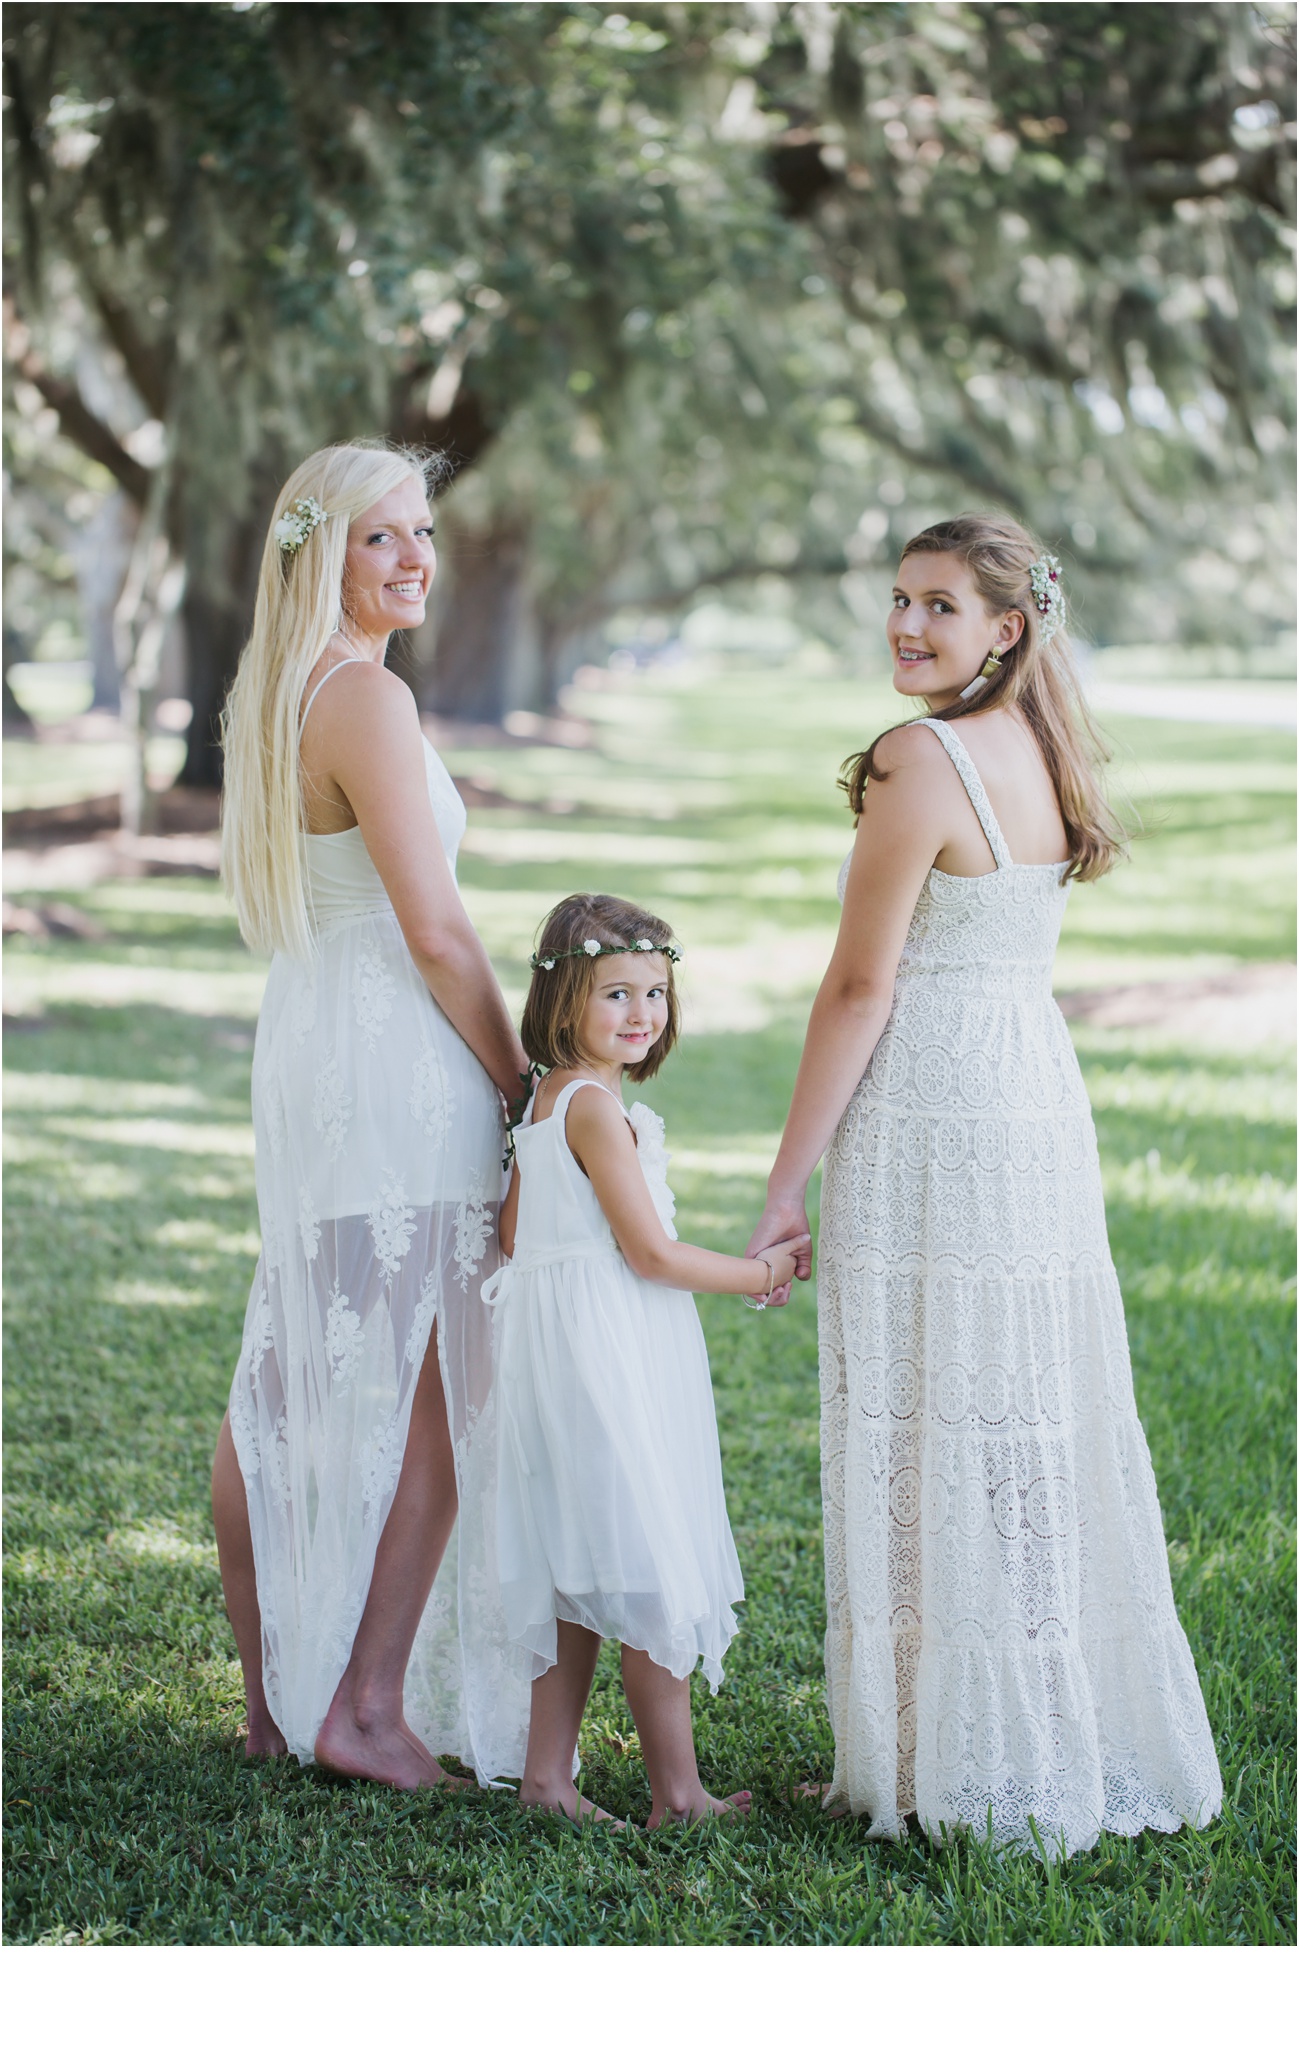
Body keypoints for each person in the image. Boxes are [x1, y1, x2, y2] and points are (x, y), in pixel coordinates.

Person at [747, 515, 1223, 1856]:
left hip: (933, 1097)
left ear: (1004, 627)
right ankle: (986, 1737)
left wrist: (786, 1183)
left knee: (925, 1404)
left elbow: (857, 984)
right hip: (1025, 1087)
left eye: (937, 607)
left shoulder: (920, 754)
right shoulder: (1041, 745)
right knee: (1011, 1408)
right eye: (896, 600)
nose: (904, 626)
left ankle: (944, 1756)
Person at [212, 440, 532, 1790]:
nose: (411, 559)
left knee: (285, 1376)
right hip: (392, 1056)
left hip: (312, 1046)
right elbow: (440, 935)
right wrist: (531, 1093)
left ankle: (276, 1707)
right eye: (378, 539)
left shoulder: (281, 692)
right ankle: (364, 1706)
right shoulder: (363, 702)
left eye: (417, 532)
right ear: (320, 557)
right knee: (437, 1395)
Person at [484, 893, 807, 1826]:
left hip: (563, 1352)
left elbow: (515, 1235)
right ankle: (679, 1794)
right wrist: (760, 1271)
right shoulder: (593, 1111)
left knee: (583, 1561)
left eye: (655, 993)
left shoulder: (545, 1102)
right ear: (560, 1000)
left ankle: (547, 1780)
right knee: (650, 1562)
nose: (641, 1014)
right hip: (610, 1354)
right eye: (614, 993)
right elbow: (652, 1255)